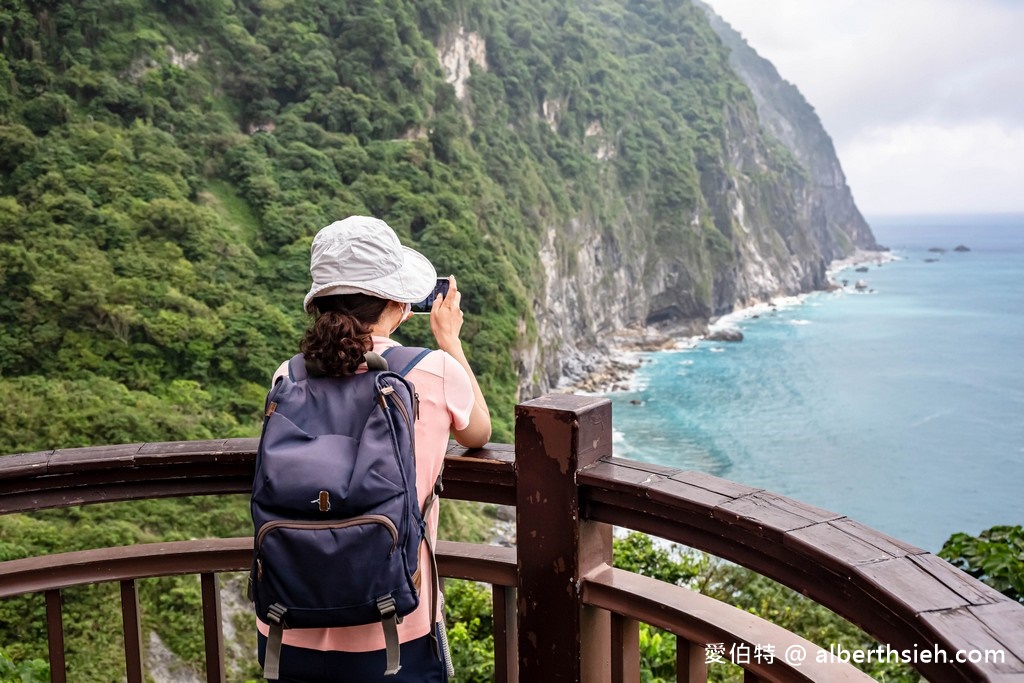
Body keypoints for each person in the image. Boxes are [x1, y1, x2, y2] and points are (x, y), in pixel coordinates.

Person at [256, 215, 492, 682]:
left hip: (287, 625)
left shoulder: (288, 375)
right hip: (394, 629)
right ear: (397, 301)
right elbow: (478, 433)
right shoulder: (433, 371)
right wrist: (449, 340)